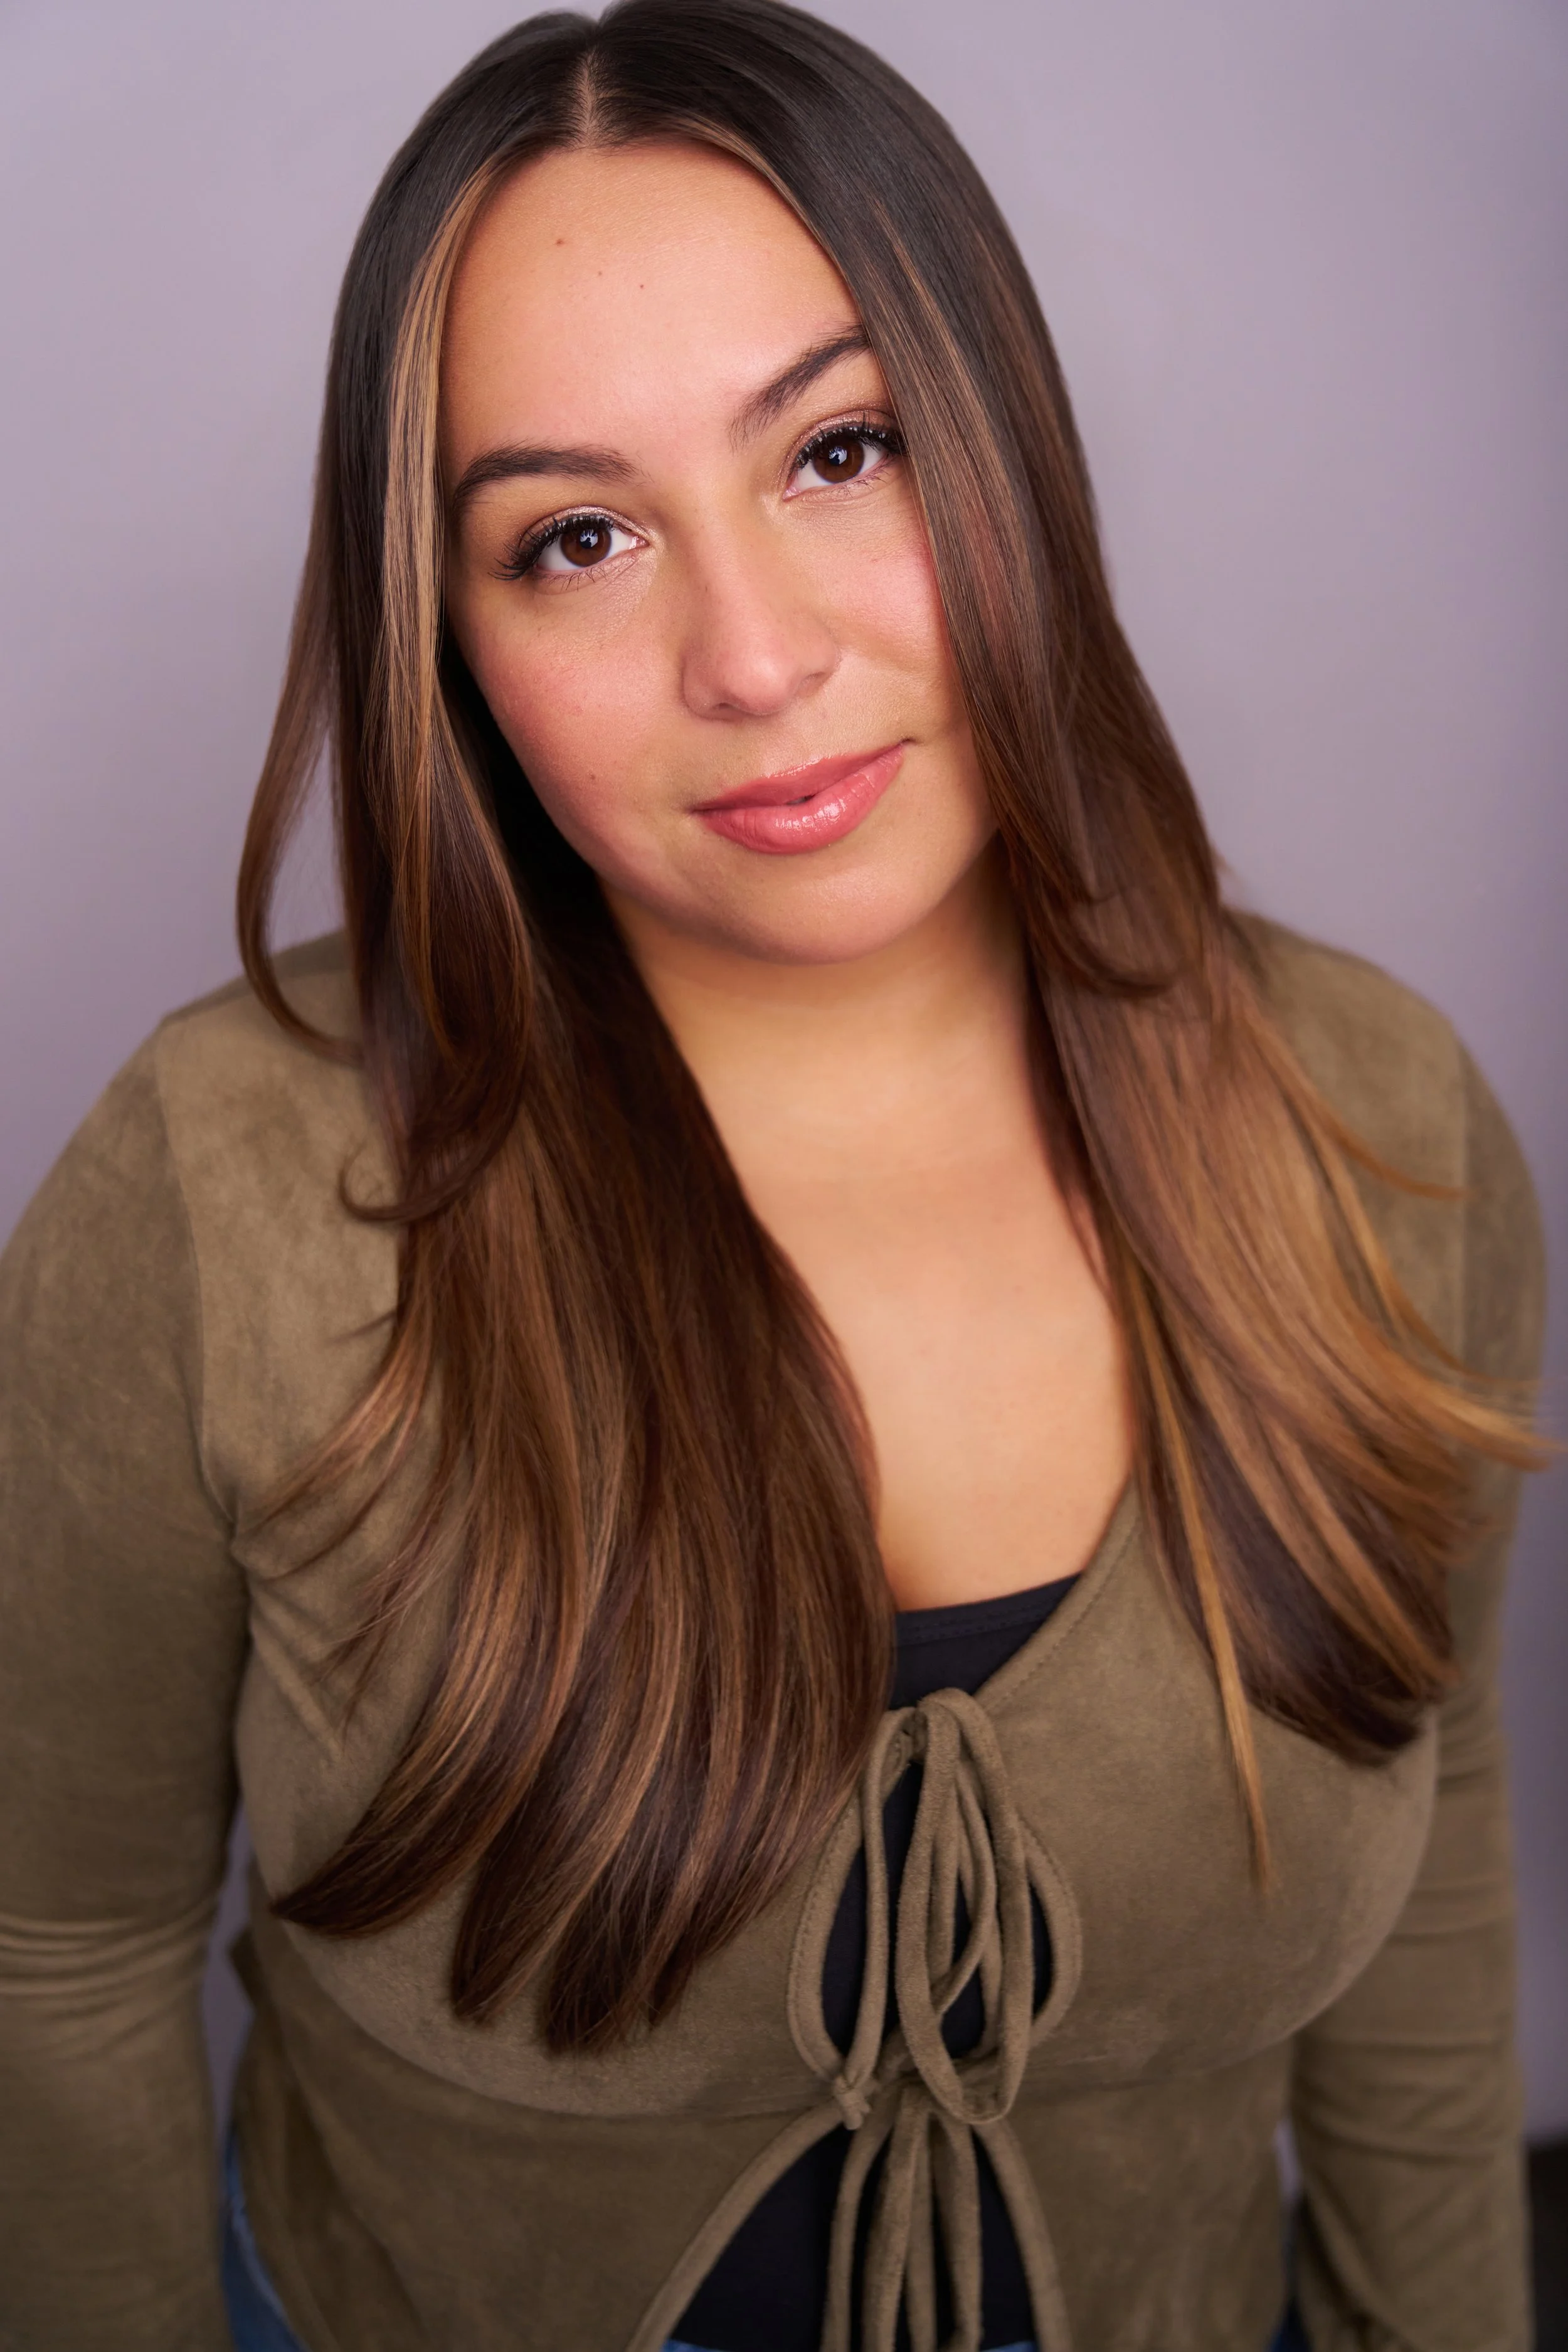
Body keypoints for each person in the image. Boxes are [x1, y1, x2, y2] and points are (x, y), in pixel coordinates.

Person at [0, 3, 1547, 2348]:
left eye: (842, 451)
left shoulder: (1373, 1115)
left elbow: (1426, 1833)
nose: (752, 655)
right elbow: (62, 1939)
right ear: (453, 642)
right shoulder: (217, 1186)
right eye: (577, 536)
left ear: (1004, 444)